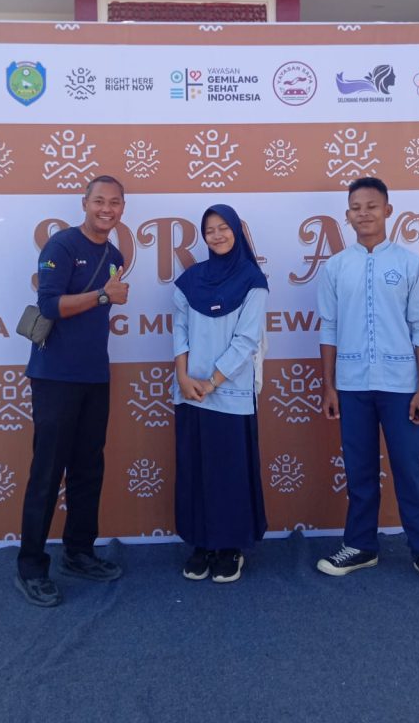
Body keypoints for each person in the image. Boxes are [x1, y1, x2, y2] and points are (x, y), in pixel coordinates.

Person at [316, 177, 419, 594]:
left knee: (410, 472)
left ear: (388, 210)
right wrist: (329, 386)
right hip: (351, 386)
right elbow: (328, 328)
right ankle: (360, 545)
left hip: (401, 387)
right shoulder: (336, 267)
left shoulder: (411, 264)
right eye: (355, 207)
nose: (363, 213)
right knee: (359, 471)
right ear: (347, 215)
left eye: (371, 206)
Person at [15, 175, 129, 607]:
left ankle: (79, 552)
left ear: (122, 209)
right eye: (99, 201)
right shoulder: (61, 246)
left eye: (114, 202)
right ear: (84, 203)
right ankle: (31, 566)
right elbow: (49, 305)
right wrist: (103, 295)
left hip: (94, 377)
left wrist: (106, 296)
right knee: (47, 473)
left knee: (88, 469)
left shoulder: (115, 255)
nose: (106, 209)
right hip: (55, 378)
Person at [172, 204, 269, 583]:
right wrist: (183, 377)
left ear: (236, 231)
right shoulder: (189, 281)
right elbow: (180, 331)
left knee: (228, 471)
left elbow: (246, 340)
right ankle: (201, 543)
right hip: (190, 391)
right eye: (210, 230)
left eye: (223, 227)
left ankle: (229, 548)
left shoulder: (252, 280)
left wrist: (212, 382)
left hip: (230, 393)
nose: (217, 235)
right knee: (195, 469)